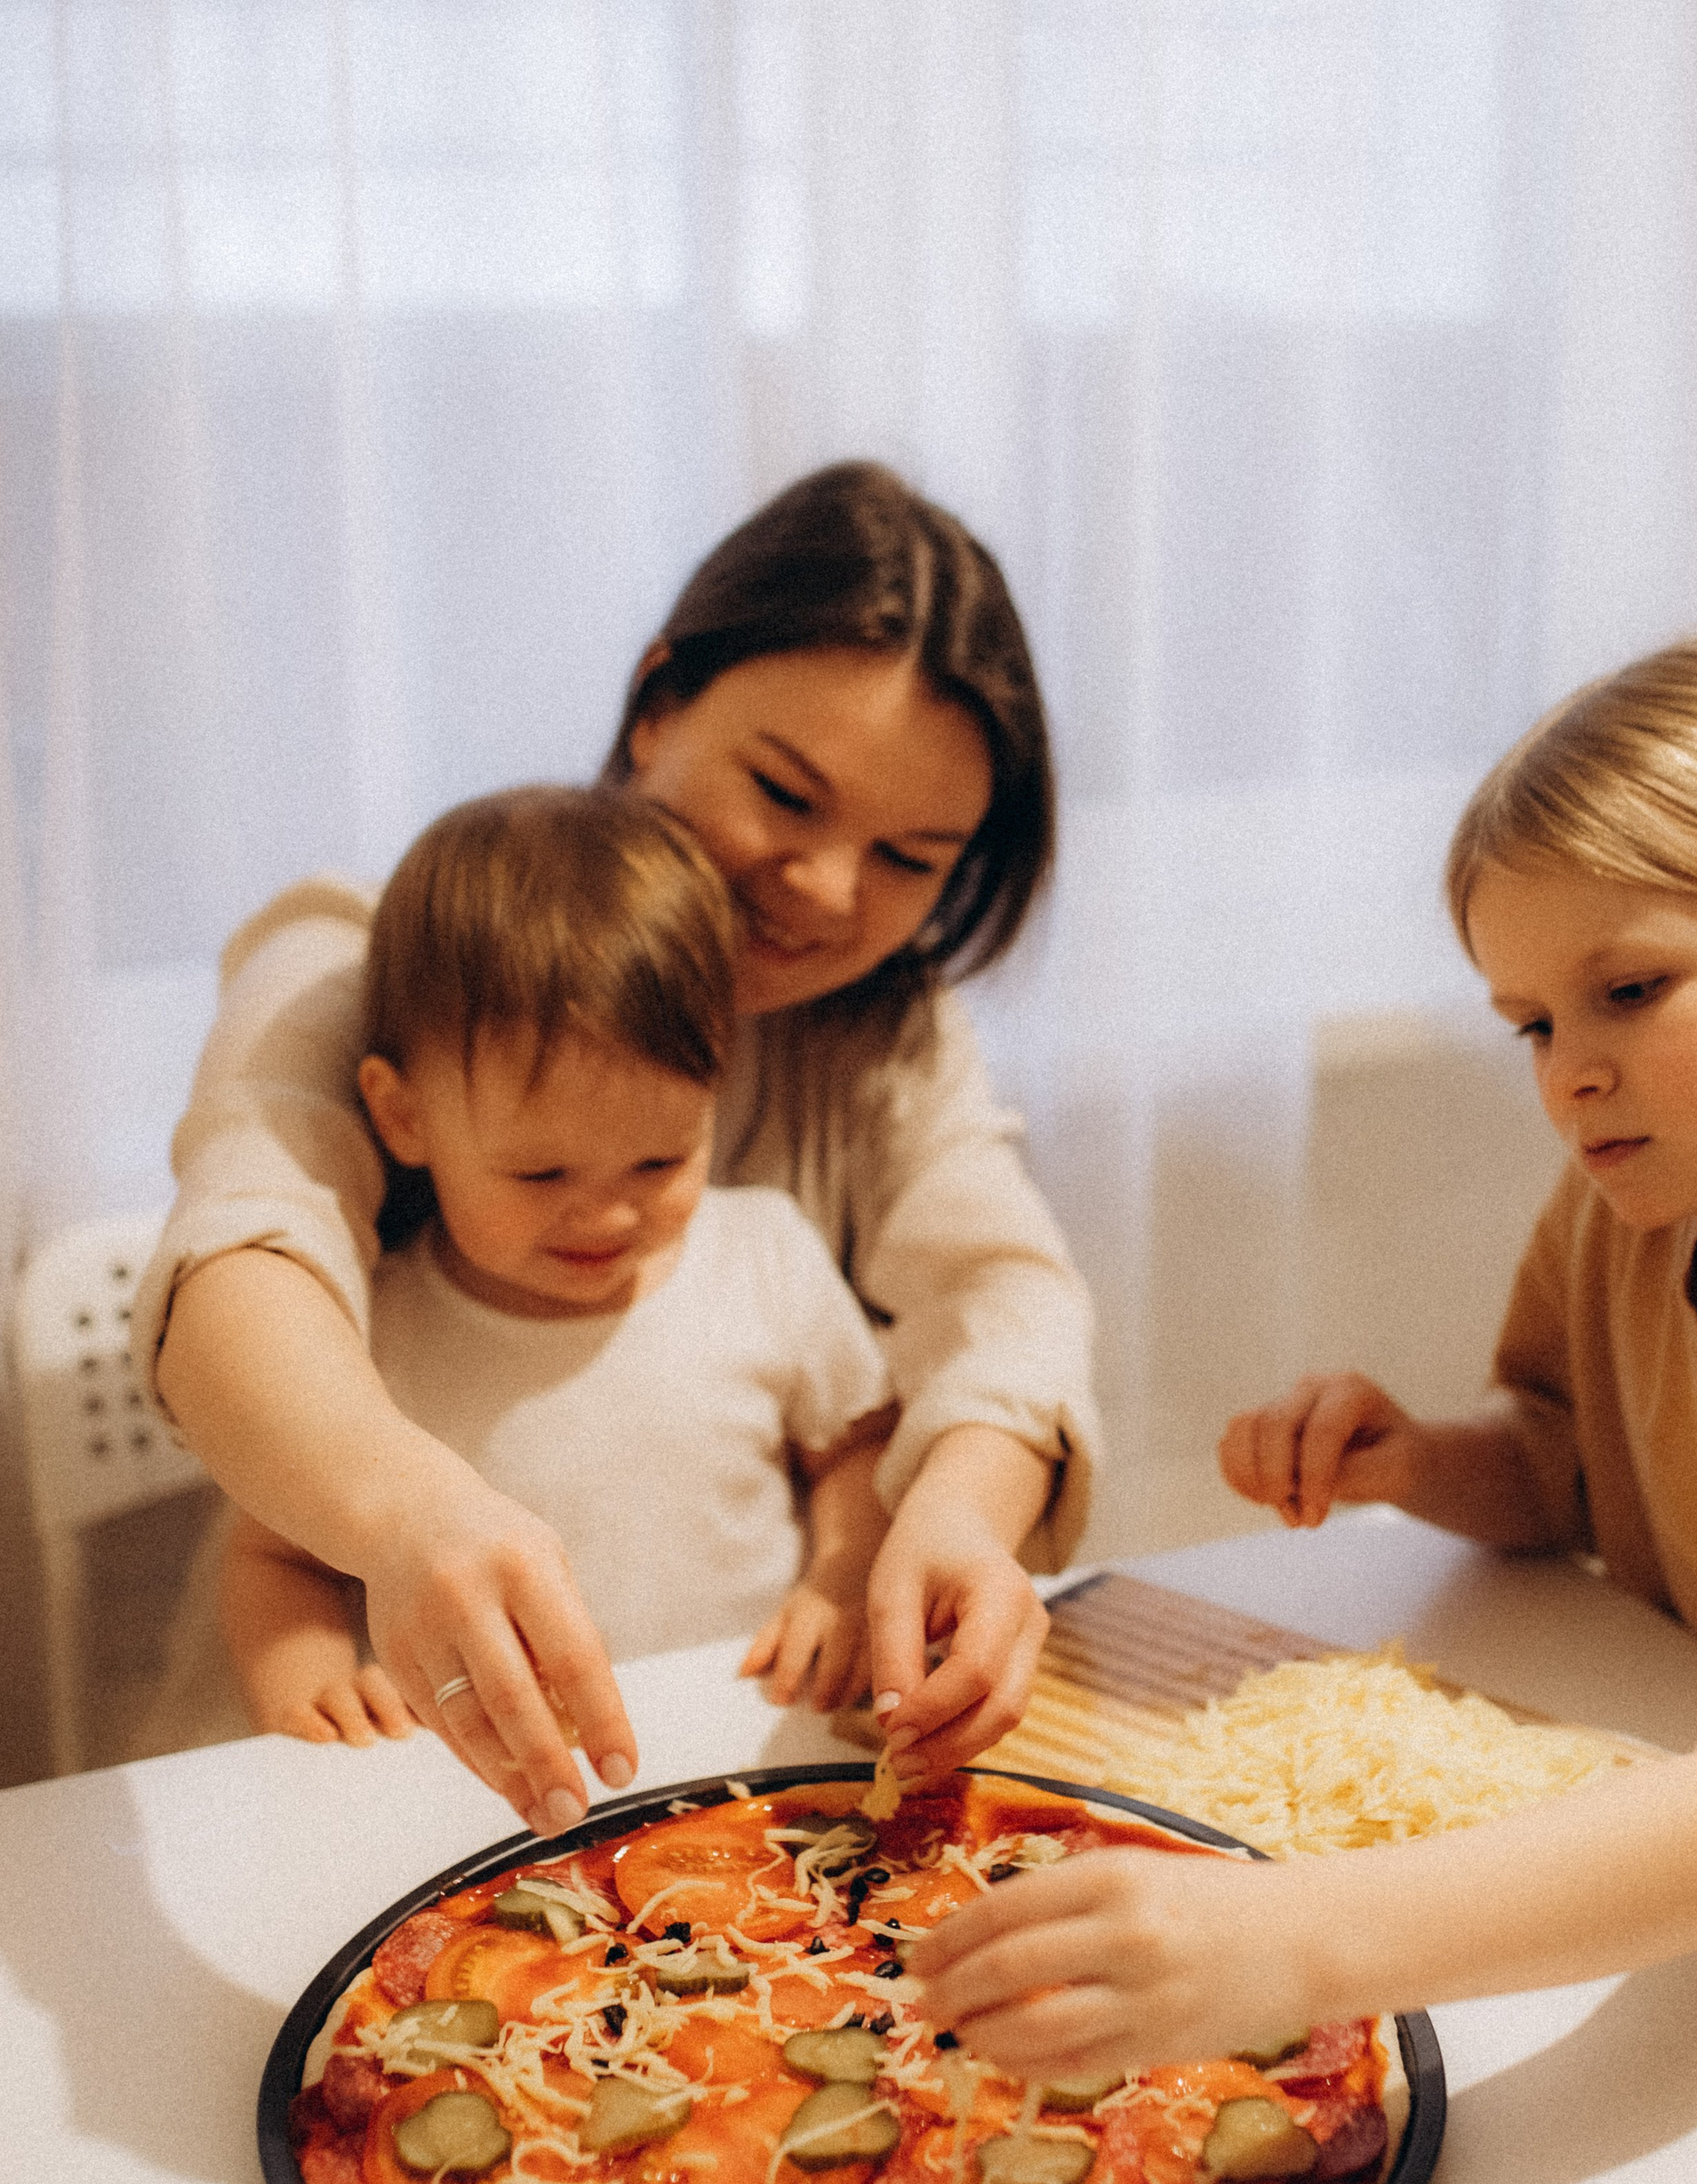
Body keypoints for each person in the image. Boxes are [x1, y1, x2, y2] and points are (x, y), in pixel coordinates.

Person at [907, 637, 1697, 2080]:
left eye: (1632, 989)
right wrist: (1424, 1460)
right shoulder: (1642, 1209)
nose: (1569, 1073)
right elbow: (1573, 1466)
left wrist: (1283, 1937)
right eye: (1533, 1023)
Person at [136, 462, 1096, 1835]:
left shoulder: (881, 1031)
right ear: (657, 703)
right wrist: (405, 1516)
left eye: (910, 857)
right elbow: (243, 1250)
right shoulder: (386, 955)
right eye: (786, 792)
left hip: (688, 1772)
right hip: (336, 1781)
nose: (829, 889)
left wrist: (955, 1515)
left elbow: (1006, 1293)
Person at [142, 785, 896, 1753]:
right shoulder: (363, 1329)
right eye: (541, 1173)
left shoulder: (767, 1256)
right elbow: (276, 1556)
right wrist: (313, 1686)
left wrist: (845, 1572)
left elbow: (855, 1449)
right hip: (482, 1782)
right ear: (403, 1114)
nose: (610, 1214)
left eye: (660, 1160)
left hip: (741, 1746)